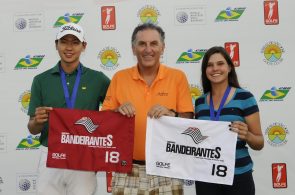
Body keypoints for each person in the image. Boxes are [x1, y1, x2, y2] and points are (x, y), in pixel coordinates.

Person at [102, 23, 194, 195]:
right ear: (133, 48)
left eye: (154, 44)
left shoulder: (177, 77)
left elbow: (188, 119)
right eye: (142, 44)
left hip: (168, 166)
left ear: (162, 47)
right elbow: (104, 121)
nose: (148, 49)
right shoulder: (119, 78)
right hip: (127, 165)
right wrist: (117, 111)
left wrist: (171, 114)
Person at [27, 22, 110, 195]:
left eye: (75, 42)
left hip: (83, 154)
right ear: (56, 44)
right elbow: (32, 128)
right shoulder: (41, 80)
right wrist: (38, 121)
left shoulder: (98, 79)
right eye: (64, 42)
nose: (69, 47)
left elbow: (115, 111)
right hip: (51, 152)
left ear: (84, 46)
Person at [194, 46, 264, 195]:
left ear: (230, 67)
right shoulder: (199, 102)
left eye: (220, 63)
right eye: (210, 65)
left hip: (238, 176)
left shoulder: (245, 98)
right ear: (205, 71)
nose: (215, 69)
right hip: (206, 177)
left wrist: (248, 136)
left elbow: (259, 143)